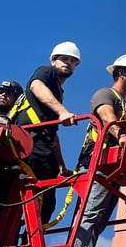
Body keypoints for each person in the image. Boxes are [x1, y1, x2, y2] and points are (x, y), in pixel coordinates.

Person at [74, 54, 126, 247]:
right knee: (92, 211)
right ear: (121, 74)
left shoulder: (125, 105)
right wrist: (122, 136)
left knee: (102, 216)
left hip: (113, 165)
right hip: (98, 161)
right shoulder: (106, 94)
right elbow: (106, 116)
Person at [9, 41, 81, 225]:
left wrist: (61, 166)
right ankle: (22, 238)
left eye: (73, 61)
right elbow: (36, 86)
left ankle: (23, 238)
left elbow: (52, 134)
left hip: (40, 147)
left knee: (46, 203)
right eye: (64, 59)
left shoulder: (57, 92)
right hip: (30, 145)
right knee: (37, 199)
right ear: (53, 60)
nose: (68, 63)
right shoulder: (46, 72)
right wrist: (62, 111)